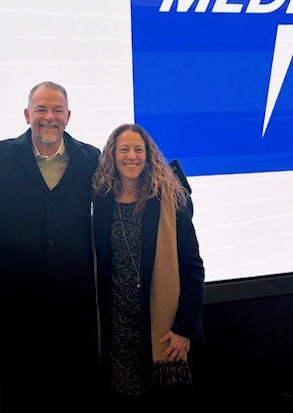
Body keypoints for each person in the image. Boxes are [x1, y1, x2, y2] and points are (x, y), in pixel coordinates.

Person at [0, 81, 100, 411]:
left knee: (72, 390)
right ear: (27, 114)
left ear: (68, 116)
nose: (49, 117)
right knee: (19, 390)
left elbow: (120, 198)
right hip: (15, 303)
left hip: (74, 303)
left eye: (57, 110)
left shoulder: (90, 159)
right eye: (41, 109)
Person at [92, 123, 204, 410]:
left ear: (149, 155)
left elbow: (193, 269)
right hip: (118, 328)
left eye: (138, 149)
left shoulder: (171, 199)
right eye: (124, 149)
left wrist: (184, 329)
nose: (131, 156)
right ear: (112, 156)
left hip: (163, 329)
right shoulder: (101, 201)